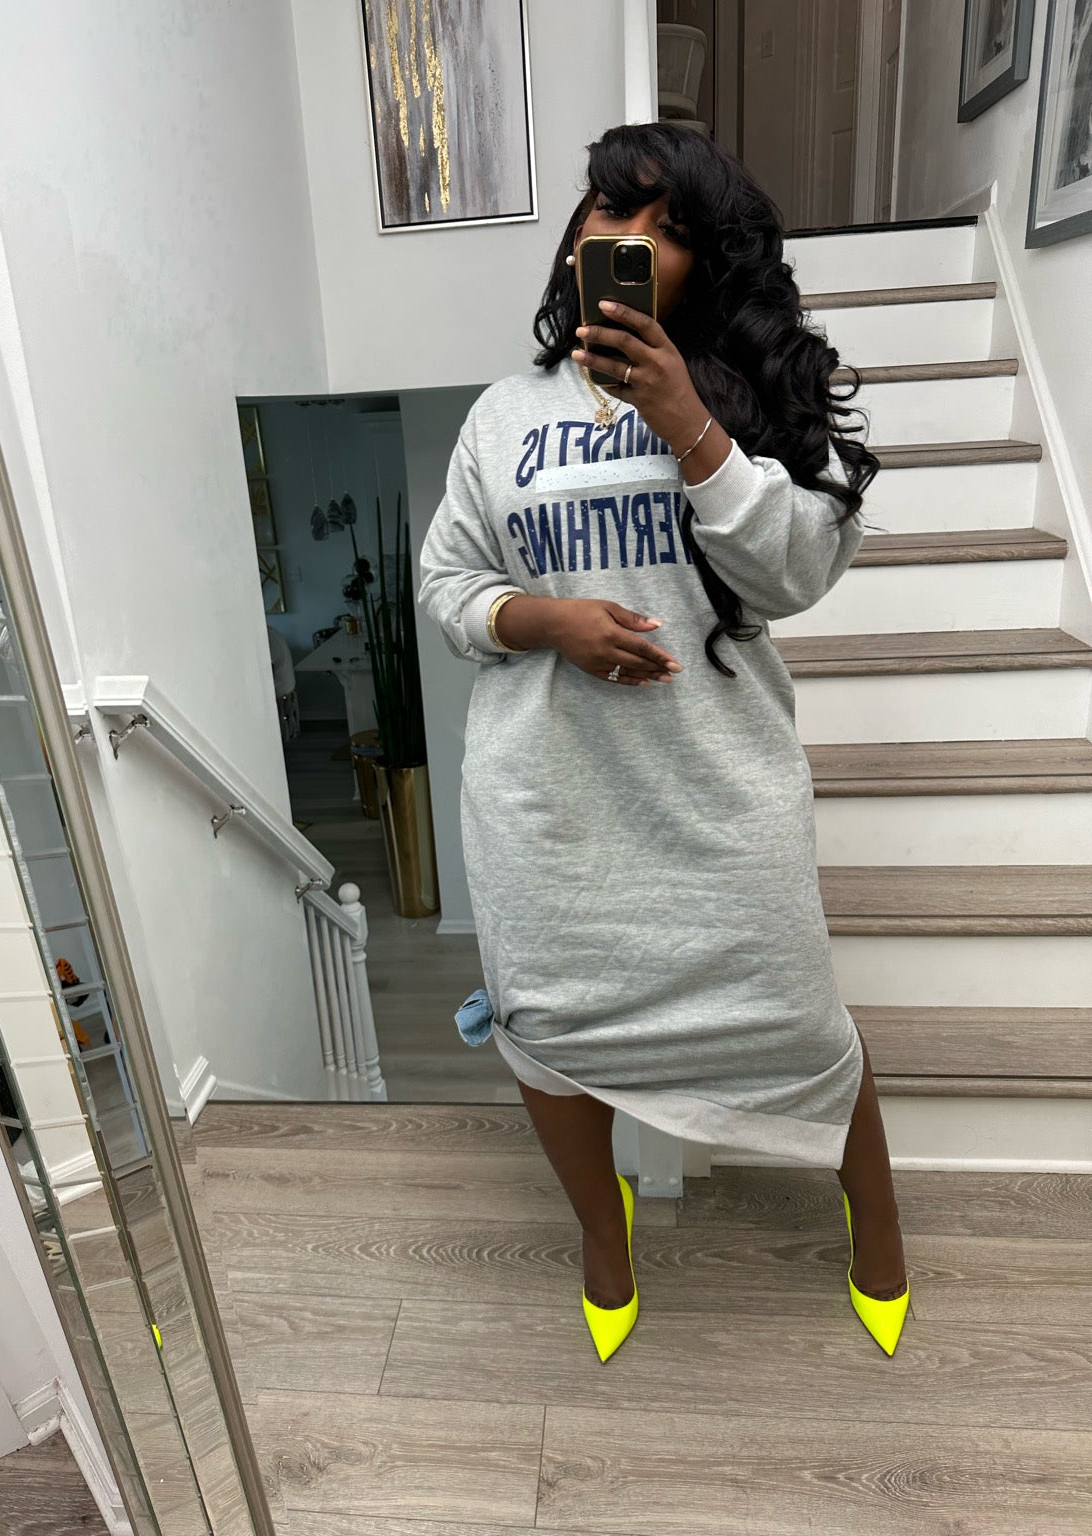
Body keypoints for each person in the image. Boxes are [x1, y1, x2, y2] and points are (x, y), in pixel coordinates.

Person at [417, 122, 909, 1363]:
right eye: (610, 208)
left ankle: (877, 1213)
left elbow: (796, 571)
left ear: (709, 263)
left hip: (717, 801)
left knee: (803, 1030)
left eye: (668, 227)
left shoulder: (745, 402)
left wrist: (687, 419)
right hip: (548, 808)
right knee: (549, 1039)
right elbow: (446, 583)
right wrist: (547, 622)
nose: (626, 238)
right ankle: (605, 1231)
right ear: (578, 230)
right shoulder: (503, 417)